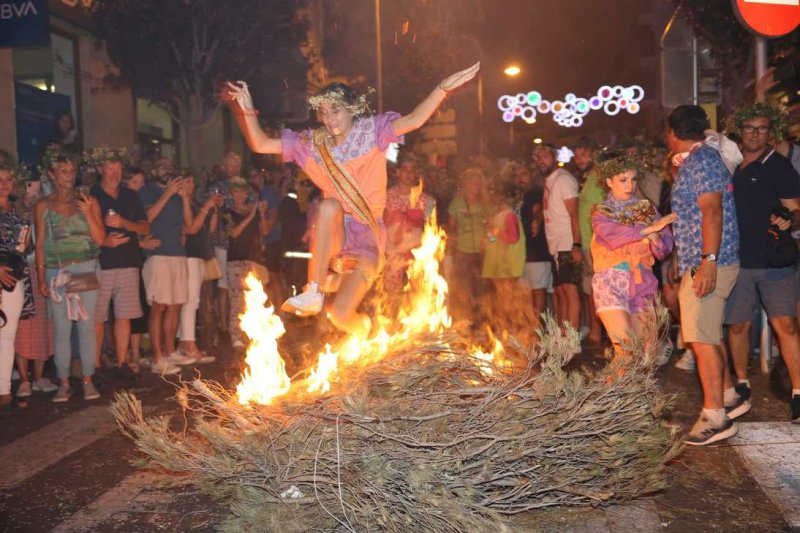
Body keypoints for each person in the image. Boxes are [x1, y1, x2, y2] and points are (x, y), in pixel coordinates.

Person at [225, 63, 480, 337]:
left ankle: (367, 335)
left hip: (367, 241)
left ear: (352, 109)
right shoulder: (313, 144)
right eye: (324, 112)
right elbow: (261, 144)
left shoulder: (373, 132)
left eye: (336, 110)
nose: (330, 118)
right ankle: (315, 289)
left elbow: (415, 119)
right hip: (333, 237)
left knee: (340, 314)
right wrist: (246, 108)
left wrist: (442, 89)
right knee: (329, 205)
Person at [667, 105, 741, 446]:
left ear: (673, 132)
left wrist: (708, 260)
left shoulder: (702, 162)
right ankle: (726, 395)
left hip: (710, 261)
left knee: (701, 339)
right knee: (708, 333)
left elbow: (712, 212)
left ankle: (715, 416)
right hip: (701, 259)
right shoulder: (699, 160)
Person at [723, 103, 800, 423]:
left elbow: (796, 209)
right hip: (736, 260)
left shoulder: (779, 166)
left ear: (771, 132)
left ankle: (798, 392)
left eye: (762, 128)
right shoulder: (727, 164)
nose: (755, 134)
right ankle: (741, 385)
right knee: (738, 325)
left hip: (774, 262)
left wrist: (789, 220)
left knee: (786, 325)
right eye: (749, 127)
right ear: (739, 130)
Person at [34, 154, 105, 402]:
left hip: (86, 269)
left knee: (86, 327)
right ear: (52, 175)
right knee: (61, 329)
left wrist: (88, 213)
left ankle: (87, 380)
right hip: (57, 272)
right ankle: (63, 382)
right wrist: (41, 276)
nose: (69, 174)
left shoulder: (88, 201)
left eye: (72, 169)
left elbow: (101, 239)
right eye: (63, 170)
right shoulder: (43, 206)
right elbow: (40, 244)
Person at [590, 154, 675, 361]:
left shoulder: (647, 209)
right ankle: (613, 394)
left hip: (642, 282)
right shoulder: (602, 212)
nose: (630, 185)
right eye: (623, 180)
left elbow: (665, 249)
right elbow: (614, 236)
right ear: (609, 182)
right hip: (611, 281)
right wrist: (648, 230)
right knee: (626, 350)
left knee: (645, 355)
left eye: (634, 179)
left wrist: (656, 239)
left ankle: (627, 393)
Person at [91, 154, 150, 378]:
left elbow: (145, 228)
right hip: (101, 262)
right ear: (100, 169)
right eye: (110, 169)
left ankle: (122, 362)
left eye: (118, 170)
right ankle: (94, 365)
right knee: (98, 316)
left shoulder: (130, 195)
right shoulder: (91, 194)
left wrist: (123, 223)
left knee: (124, 314)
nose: (114, 175)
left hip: (128, 260)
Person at [138, 169, 194, 375]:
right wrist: (168, 193)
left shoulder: (178, 195)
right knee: (159, 305)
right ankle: (158, 358)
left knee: (176, 304)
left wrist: (185, 197)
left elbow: (188, 224)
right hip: (158, 254)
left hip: (178, 254)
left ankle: (170, 352)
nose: (164, 170)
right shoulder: (148, 191)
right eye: (159, 166)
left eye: (168, 167)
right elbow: (147, 218)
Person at [14, 176, 56, 398]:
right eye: (29, 194)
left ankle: (39, 376)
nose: (32, 199)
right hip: (22, 274)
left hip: (42, 271)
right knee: (23, 327)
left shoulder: (46, 215)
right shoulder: (14, 216)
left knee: (44, 325)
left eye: (36, 194)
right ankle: (23, 378)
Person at [536, 144, 582, 333]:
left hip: (567, 243)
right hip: (554, 245)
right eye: (538, 158)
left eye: (545, 156)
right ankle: (562, 333)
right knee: (560, 291)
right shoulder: (549, 181)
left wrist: (576, 245)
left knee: (570, 291)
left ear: (554, 157)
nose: (541, 161)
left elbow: (574, 214)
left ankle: (572, 338)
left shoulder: (563, 179)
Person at [0, 164, 35, 407]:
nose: (5, 183)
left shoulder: (18, 213)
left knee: (7, 334)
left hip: (14, 277)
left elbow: (25, 249)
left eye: (8, 179)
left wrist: (28, 242)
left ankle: (4, 389)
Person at [221, 177, 269, 349]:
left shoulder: (253, 212)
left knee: (255, 299)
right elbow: (233, 233)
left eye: (242, 191)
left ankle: (253, 334)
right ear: (231, 194)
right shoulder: (227, 213)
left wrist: (261, 214)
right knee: (236, 299)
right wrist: (250, 215)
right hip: (236, 261)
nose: (239, 195)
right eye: (236, 191)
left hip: (253, 260)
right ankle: (236, 335)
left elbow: (265, 231)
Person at [178, 172, 220, 362]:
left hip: (198, 255)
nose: (191, 185)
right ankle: (189, 345)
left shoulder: (192, 202)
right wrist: (206, 207)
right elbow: (191, 227)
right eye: (188, 181)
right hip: (187, 255)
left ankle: (184, 344)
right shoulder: (178, 203)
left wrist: (214, 210)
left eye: (193, 181)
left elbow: (208, 230)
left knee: (190, 301)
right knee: (190, 301)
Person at [383, 152, 435, 293]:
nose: (408, 173)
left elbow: (432, 231)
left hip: (416, 256)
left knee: (417, 297)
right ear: (398, 172)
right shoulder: (385, 197)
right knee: (390, 296)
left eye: (412, 170)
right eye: (405, 169)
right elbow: (380, 224)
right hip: (391, 254)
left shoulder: (428, 201)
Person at [481, 180, 526, 338]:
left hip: (507, 264)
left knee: (507, 300)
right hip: (497, 264)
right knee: (500, 299)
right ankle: (503, 329)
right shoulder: (497, 214)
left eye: (493, 194)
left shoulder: (509, 215)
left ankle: (511, 330)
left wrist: (494, 231)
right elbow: (495, 239)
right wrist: (489, 235)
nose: (489, 197)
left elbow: (513, 238)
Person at [447, 167, 491, 324]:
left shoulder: (485, 204)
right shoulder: (457, 202)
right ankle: (465, 322)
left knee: (481, 288)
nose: (476, 186)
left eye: (478, 183)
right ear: (466, 184)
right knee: (464, 288)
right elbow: (451, 226)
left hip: (481, 252)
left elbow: (491, 226)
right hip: (463, 251)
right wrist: (451, 242)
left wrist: (489, 239)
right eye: (473, 183)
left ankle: (480, 323)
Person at [574, 136, 604, 345]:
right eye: (576, 156)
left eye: (583, 154)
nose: (578, 159)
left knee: (597, 290)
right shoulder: (588, 177)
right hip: (587, 242)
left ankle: (598, 335)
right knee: (589, 289)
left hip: (597, 243)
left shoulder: (600, 178)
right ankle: (595, 333)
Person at [519, 162, 552, 333]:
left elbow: (538, 209)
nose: (520, 178)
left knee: (538, 290)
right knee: (530, 289)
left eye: (524, 174)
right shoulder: (525, 194)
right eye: (518, 175)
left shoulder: (535, 192)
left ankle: (537, 325)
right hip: (528, 250)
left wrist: (535, 223)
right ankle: (532, 323)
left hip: (538, 248)